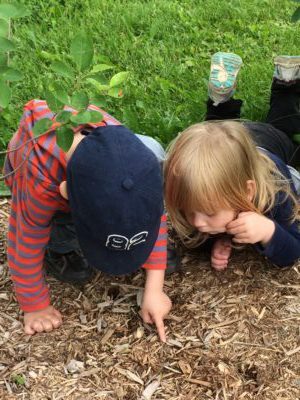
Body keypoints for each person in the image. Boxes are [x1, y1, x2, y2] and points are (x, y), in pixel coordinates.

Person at [3, 101, 172, 341]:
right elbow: (24, 239)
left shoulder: (136, 160)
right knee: (61, 233)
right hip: (37, 180)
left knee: (150, 153)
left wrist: (155, 288)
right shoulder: (40, 187)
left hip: (82, 180)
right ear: (67, 194)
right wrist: (35, 306)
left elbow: (152, 212)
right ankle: (59, 245)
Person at [164, 52, 300, 271]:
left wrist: (269, 230)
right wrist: (217, 241)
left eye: (209, 213)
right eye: (189, 211)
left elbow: (294, 248)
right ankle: (220, 102)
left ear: (247, 192)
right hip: (230, 142)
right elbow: (194, 235)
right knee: (216, 132)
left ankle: (286, 82)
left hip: (269, 142)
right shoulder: (197, 193)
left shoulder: (275, 189)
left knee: (285, 128)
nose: (197, 223)